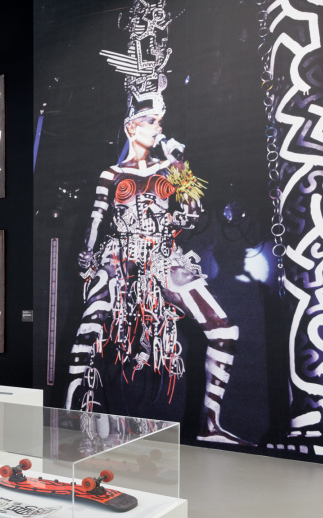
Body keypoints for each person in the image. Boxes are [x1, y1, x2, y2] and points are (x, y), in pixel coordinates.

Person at [66, 93, 250, 446]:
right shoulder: (112, 173)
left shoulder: (169, 168)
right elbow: (96, 218)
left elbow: (193, 214)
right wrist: (87, 255)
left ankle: (210, 425)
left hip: (163, 257)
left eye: (159, 122)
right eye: (150, 121)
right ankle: (75, 420)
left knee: (225, 330)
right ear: (131, 127)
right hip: (120, 256)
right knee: (88, 330)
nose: (157, 127)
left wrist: (179, 165)